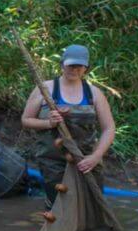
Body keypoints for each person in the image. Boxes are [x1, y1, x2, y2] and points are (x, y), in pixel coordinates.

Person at [21, 44, 115, 210]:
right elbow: (26, 120)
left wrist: (95, 156)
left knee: (92, 204)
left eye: (80, 66)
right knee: (59, 206)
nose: (75, 69)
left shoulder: (93, 93)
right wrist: (48, 123)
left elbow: (109, 128)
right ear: (62, 64)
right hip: (52, 161)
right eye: (71, 65)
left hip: (86, 160)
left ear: (86, 67)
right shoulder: (46, 89)